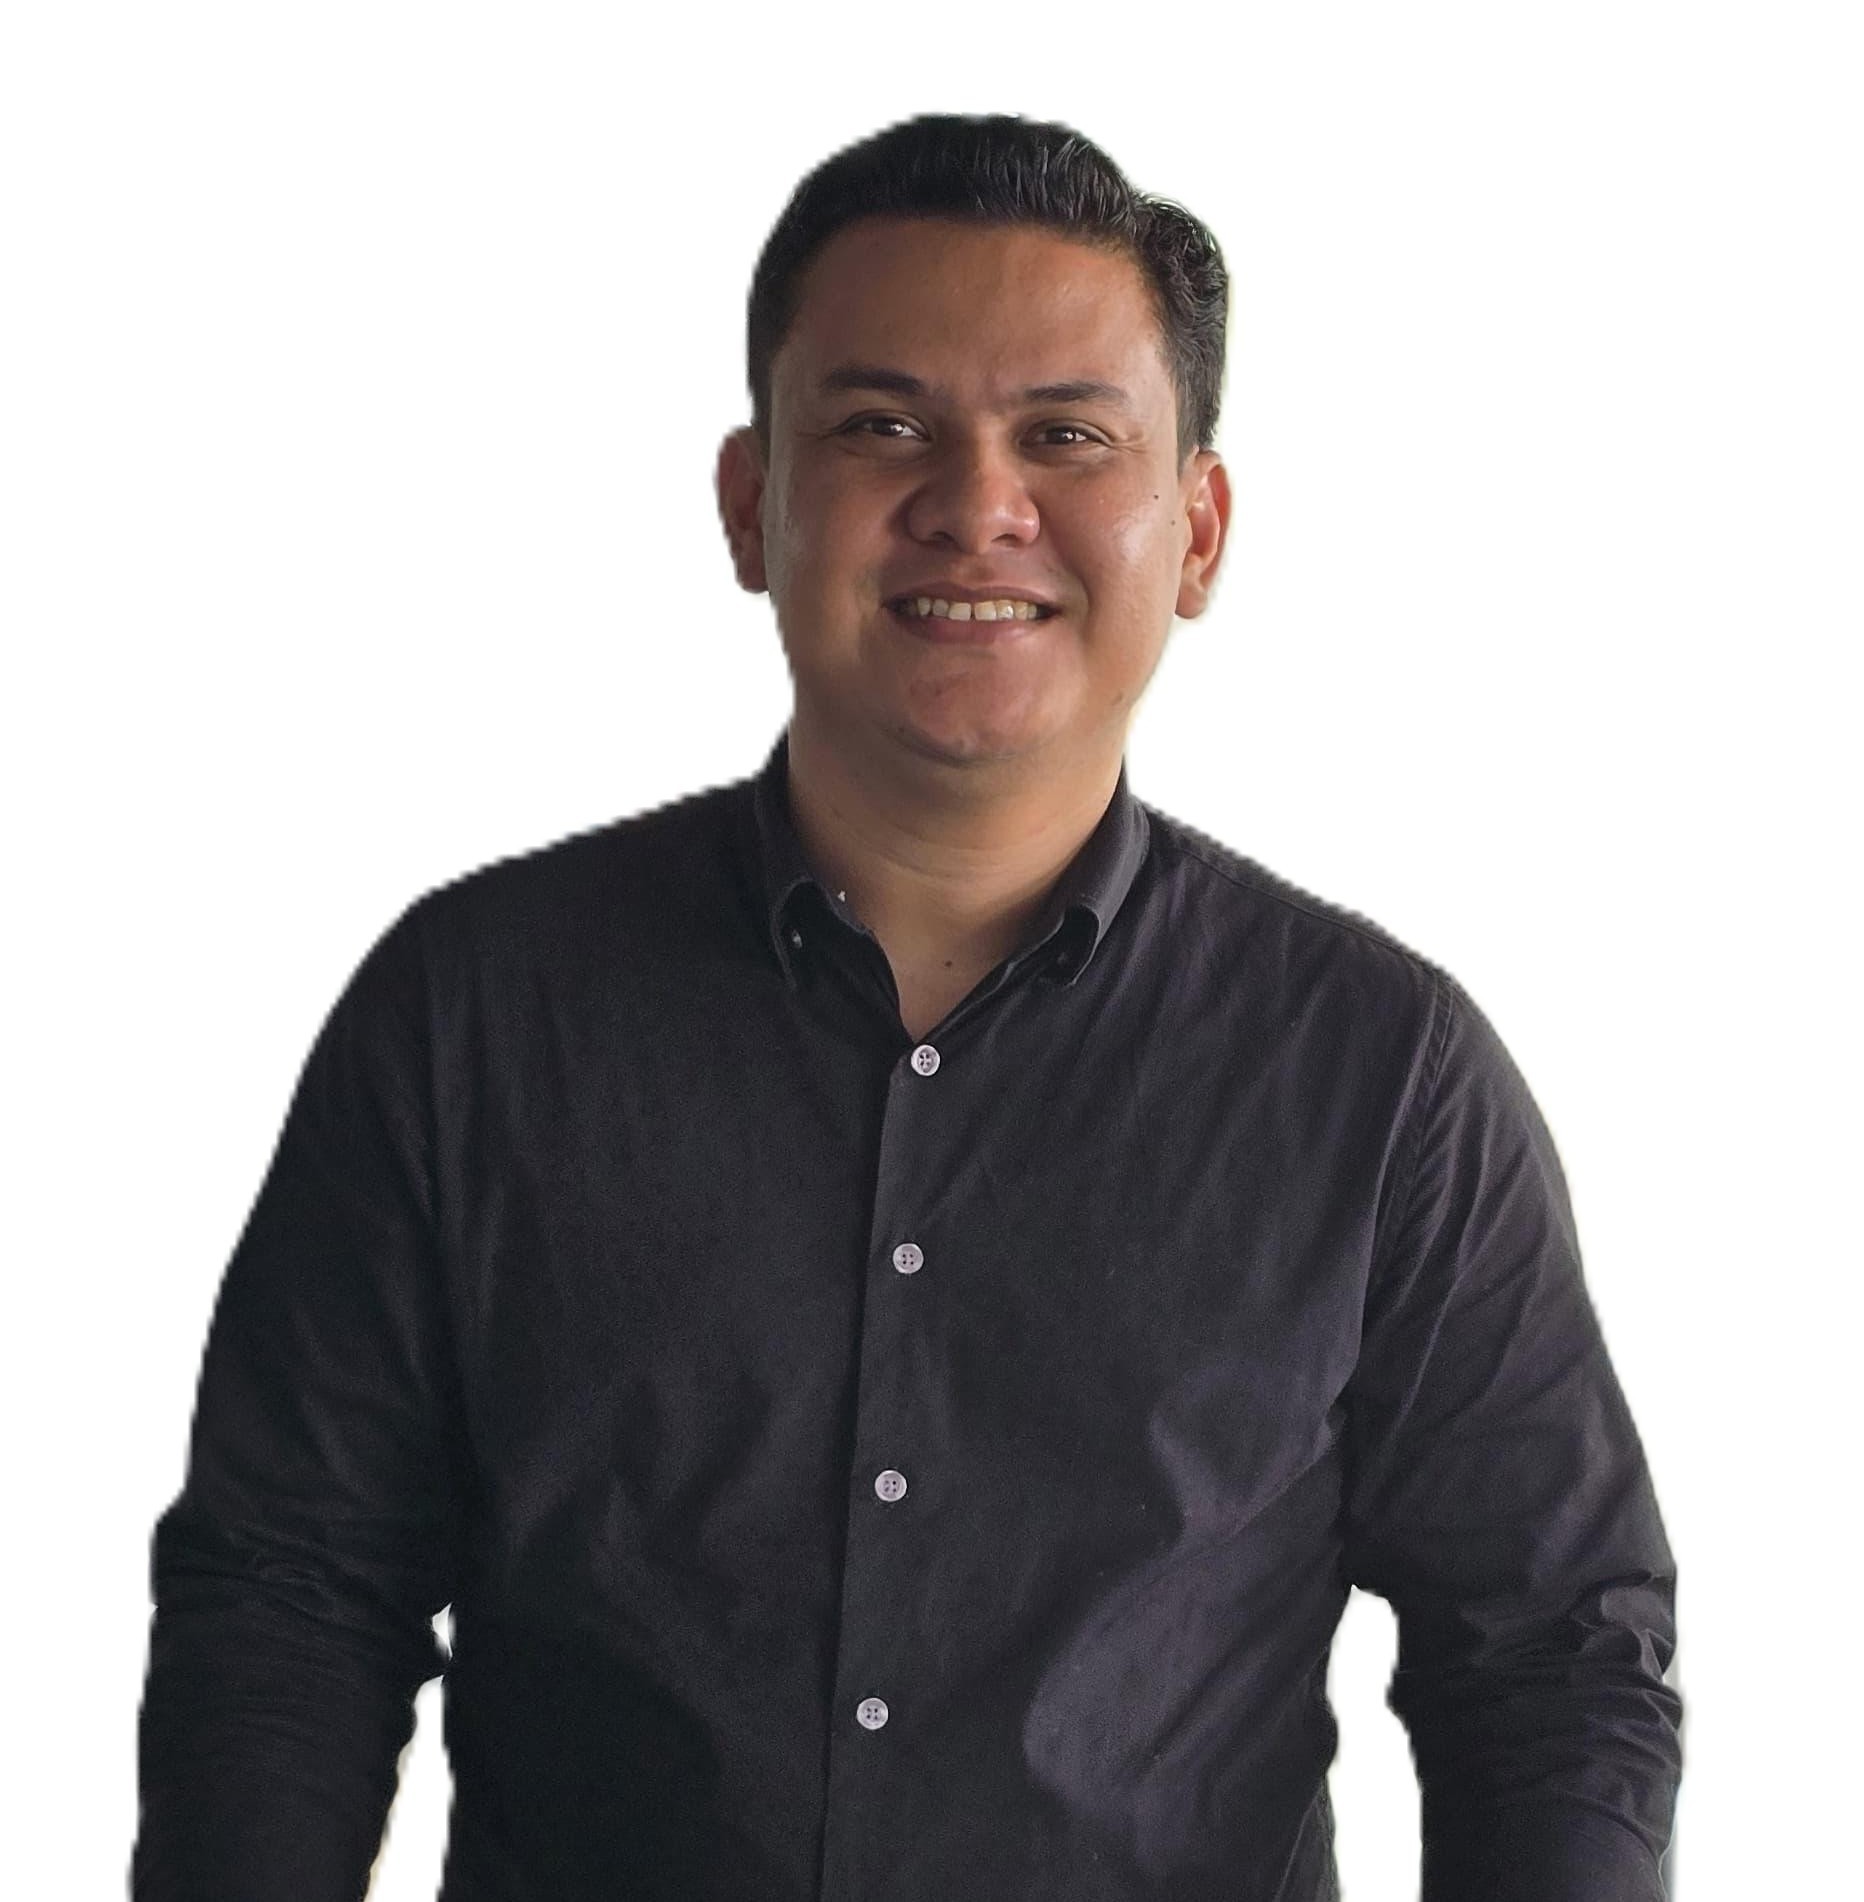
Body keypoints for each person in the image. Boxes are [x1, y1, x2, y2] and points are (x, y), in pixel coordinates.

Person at [133, 113, 1682, 1901]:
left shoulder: (1383, 1077)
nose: (977, 504)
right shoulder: (470, 1017)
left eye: (1067, 436)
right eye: (882, 427)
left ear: (1196, 530)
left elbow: (1552, 1659)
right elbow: (290, 1593)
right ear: (750, 502)